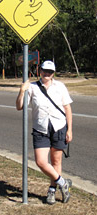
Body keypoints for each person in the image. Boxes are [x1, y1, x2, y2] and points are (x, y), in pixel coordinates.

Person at [16, 60, 73, 204]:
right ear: (39, 71)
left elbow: (67, 109)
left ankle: (52, 191)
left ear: (53, 73)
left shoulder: (60, 86)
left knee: (56, 161)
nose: (46, 74)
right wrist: (22, 91)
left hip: (59, 127)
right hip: (40, 128)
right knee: (41, 162)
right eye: (44, 71)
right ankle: (63, 183)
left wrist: (70, 130)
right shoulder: (32, 87)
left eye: (50, 72)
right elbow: (19, 106)